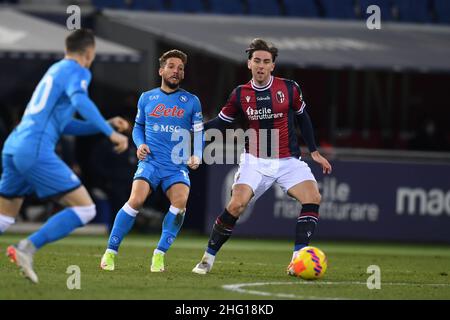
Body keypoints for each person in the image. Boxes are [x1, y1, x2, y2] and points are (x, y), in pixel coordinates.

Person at [192, 38, 332, 275]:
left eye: (266, 62)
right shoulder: (240, 94)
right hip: (255, 159)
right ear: (249, 64)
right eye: (256, 60)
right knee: (236, 205)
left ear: (272, 66)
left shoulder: (289, 88)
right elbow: (221, 123)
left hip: (289, 161)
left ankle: (297, 260)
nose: (261, 65)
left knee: (313, 197)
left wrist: (314, 151)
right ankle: (207, 259)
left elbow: (303, 118)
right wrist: (194, 130)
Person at [0, 29, 129, 283]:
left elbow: (66, 125)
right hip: (34, 149)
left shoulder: (55, 70)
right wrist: (110, 133)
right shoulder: (78, 70)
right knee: (85, 208)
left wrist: (106, 124)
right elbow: (81, 102)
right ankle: (27, 247)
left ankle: (26, 247)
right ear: (90, 52)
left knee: (4, 216)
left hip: (15, 145)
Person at [100, 49, 203, 272]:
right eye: (172, 66)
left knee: (180, 204)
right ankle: (110, 252)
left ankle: (159, 254)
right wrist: (140, 144)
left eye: (181, 68)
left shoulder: (192, 102)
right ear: (161, 70)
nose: (177, 71)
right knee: (135, 200)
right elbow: (138, 127)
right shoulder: (147, 98)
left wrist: (197, 154)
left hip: (176, 165)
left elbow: (199, 133)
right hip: (151, 162)